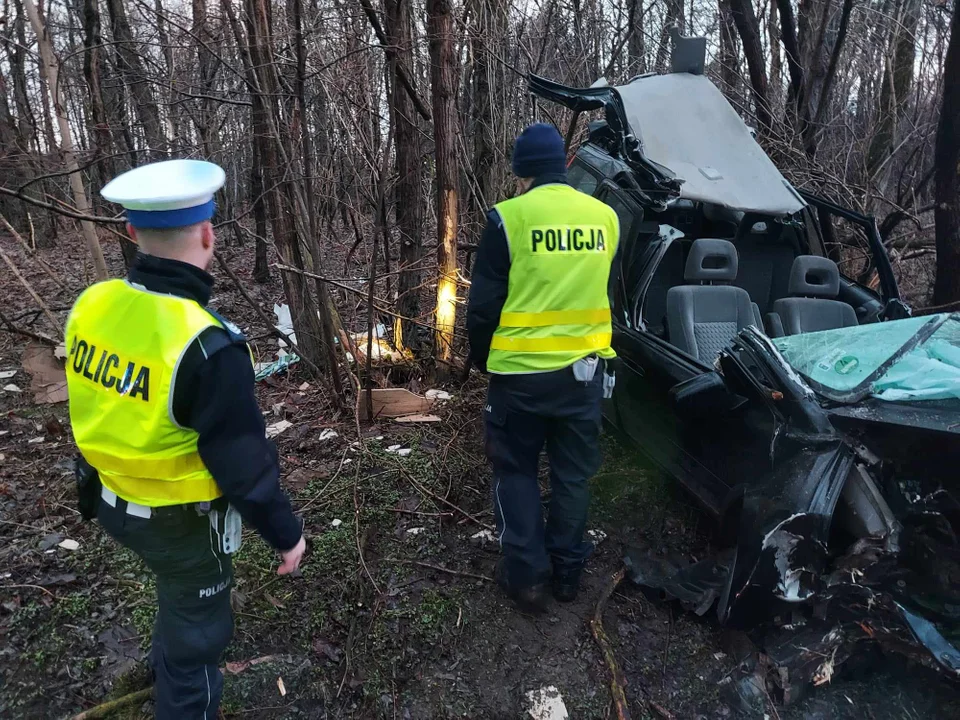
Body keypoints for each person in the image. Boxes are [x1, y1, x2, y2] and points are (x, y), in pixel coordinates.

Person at [64, 159, 306, 718]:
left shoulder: (92, 305)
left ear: (131, 233)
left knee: (175, 596)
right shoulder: (207, 345)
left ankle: (161, 661)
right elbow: (244, 466)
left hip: (105, 501)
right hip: (181, 523)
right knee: (201, 639)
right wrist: (287, 535)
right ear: (207, 232)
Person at [466, 123, 620, 613]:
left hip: (520, 378)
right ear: (564, 167)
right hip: (584, 374)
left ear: (521, 173)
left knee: (516, 473)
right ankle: (569, 574)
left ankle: (528, 578)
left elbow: (483, 307)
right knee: (573, 477)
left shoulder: (508, 219)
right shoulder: (605, 218)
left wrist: (478, 358)